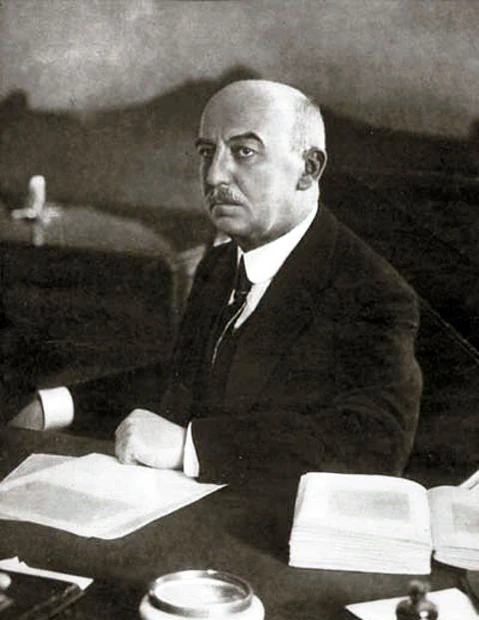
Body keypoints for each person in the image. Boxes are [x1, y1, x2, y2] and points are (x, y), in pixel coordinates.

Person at [10, 80, 422, 484]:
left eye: (244, 152)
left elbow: (376, 444)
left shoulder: (373, 292)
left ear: (308, 168)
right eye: (207, 152)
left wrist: (190, 446)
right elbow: (183, 381)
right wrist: (60, 404)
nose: (214, 176)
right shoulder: (221, 264)